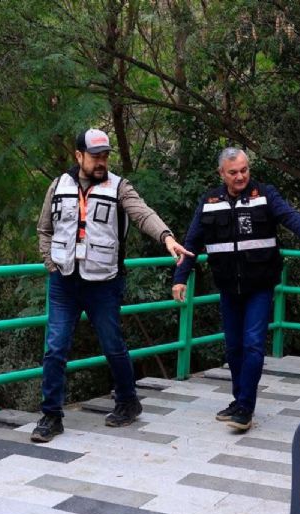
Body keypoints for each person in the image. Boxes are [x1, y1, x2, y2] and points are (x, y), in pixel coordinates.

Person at [32, 128, 193, 443]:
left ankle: (128, 401)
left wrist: (167, 238)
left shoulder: (119, 187)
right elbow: (44, 229)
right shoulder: (58, 185)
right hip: (64, 282)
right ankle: (51, 416)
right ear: (79, 156)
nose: (101, 162)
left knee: (112, 344)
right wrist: (50, 264)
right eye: (95, 156)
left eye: (105, 155)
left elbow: (143, 214)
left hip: (103, 283)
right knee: (55, 348)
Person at [172, 147, 300, 432]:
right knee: (234, 347)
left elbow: (291, 217)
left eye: (244, 170)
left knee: (253, 343)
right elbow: (191, 243)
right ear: (221, 173)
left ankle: (245, 408)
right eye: (233, 172)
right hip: (228, 286)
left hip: (260, 284)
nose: (240, 176)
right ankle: (239, 401)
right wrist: (180, 277)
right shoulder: (209, 201)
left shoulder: (265, 194)